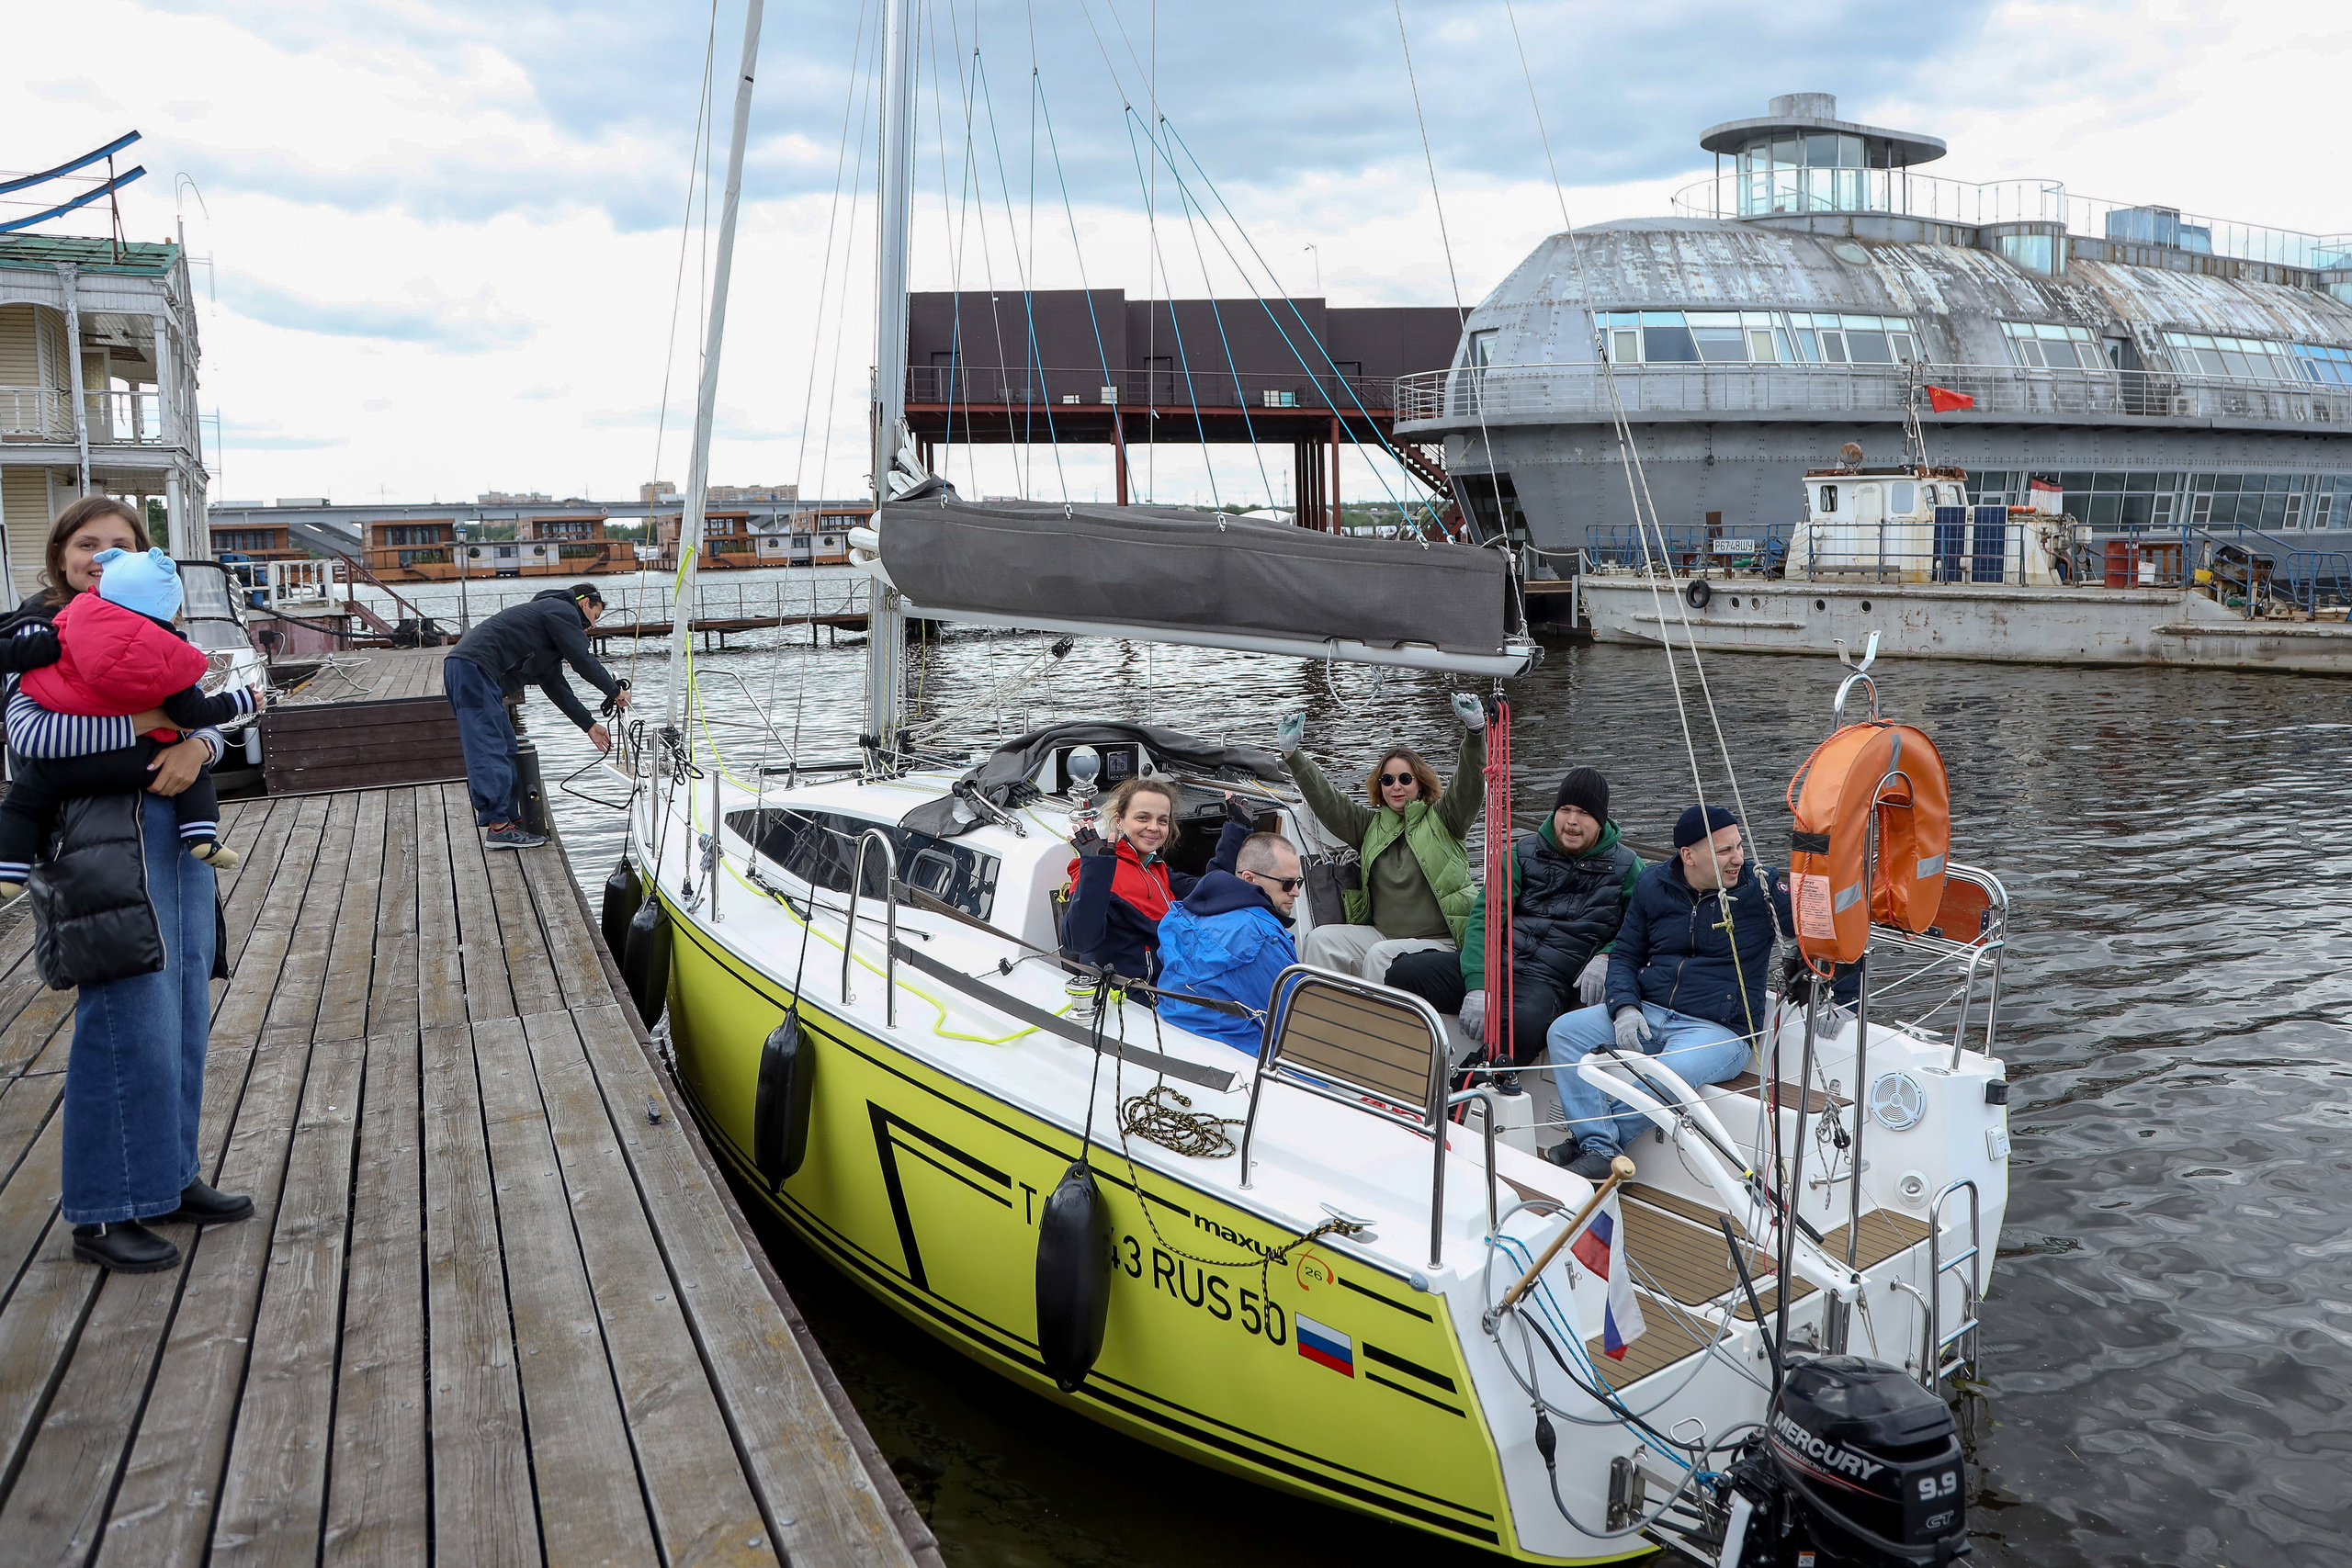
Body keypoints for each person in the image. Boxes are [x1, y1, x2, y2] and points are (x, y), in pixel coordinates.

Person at [0, 496, 250, 1273]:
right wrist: (154, 731)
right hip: (100, 847)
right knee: (123, 1018)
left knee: (179, 1015)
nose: (102, 555)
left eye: (121, 543)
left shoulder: (154, 627)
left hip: (173, 842)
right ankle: (105, 1211)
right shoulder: (38, 636)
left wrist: (199, 752)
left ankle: (167, 1178)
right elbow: (34, 735)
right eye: (87, 543)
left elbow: (205, 717)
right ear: (61, 556)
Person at [1543, 805, 1790, 1179]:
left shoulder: (1763, 887)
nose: (1738, 858)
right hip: (1648, 1009)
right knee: (1563, 1032)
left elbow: (1823, 928)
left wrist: (1843, 992)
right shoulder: (1653, 884)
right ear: (1688, 856)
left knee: (1670, 1071)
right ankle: (1599, 1145)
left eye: (1738, 847)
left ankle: (1596, 1146)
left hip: (1720, 1029)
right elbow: (1624, 954)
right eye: (1724, 851)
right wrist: (1625, 1007)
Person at [0, 547, 261, 900]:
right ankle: (201, 835)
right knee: (196, 778)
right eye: (87, 544)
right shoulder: (172, 650)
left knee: (23, 797)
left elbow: (27, 658)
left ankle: (11, 869)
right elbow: (190, 714)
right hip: (147, 762)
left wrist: (201, 745)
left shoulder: (67, 627)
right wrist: (239, 701)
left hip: (67, 771)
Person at [1385, 766, 1641, 1064]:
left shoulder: (1627, 868)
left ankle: (1473, 1078)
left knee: (1526, 1026)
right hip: (1497, 965)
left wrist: (1607, 956)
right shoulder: (1521, 854)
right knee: (1402, 973)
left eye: (1584, 813)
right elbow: (1485, 920)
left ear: (1600, 821)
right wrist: (1478, 985)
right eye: (1566, 809)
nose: (1572, 822)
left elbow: (1641, 927)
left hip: (1547, 983)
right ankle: (1407, 1062)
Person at [1273, 694, 1485, 981]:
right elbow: (1329, 802)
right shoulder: (1370, 826)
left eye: (1405, 779)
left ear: (1420, 783)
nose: (1396, 786)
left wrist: (1474, 734)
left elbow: (1469, 785)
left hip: (1441, 941)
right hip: (1384, 935)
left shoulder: (1446, 819)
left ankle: (1373, 1025)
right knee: (1321, 940)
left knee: (1380, 955)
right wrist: (1293, 756)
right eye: (1388, 780)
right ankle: (1322, 1019)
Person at [443, 582, 629, 849]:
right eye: (595, 617)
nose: (593, 626)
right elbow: (581, 658)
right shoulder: (561, 610)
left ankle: (508, 820)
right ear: (585, 603)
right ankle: (498, 828)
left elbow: (556, 685)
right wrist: (614, 691)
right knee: (488, 747)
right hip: (472, 668)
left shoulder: (547, 633)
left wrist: (588, 724)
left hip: (476, 672)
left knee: (507, 745)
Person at [1061, 778, 1253, 993]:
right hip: (1127, 999)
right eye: (1143, 818)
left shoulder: (1156, 870)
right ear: (1119, 821)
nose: (1153, 827)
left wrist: (1237, 829)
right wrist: (1095, 868)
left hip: (1168, 989)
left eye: (1162, 820)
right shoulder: (1100, 869)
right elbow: (1079, 941)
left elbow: (1211, 890)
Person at [1153, 831, 1303, 1055]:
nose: (1296, 892)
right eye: (1287, 883)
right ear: (1249, 879)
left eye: (1298, 882)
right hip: (1245, 1056)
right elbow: (1297, 1024)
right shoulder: (1262, 940)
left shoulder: (1182, 916)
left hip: (1177, 1036)